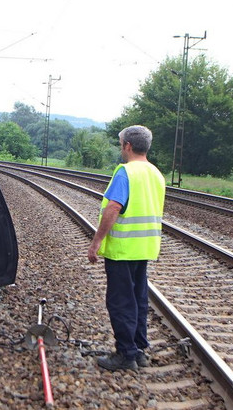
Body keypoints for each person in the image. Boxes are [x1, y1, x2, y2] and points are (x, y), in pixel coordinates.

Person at [87, 125, 166, 371]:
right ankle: (139, 350)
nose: (121, 148)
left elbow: (113, 208)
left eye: (121, 143)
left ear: (128, 146)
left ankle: (125, 355)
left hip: (123, 248)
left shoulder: (125, 172)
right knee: (139, 300)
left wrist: (97, 240)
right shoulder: (156, 173)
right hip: (144, 248)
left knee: (121, 302)